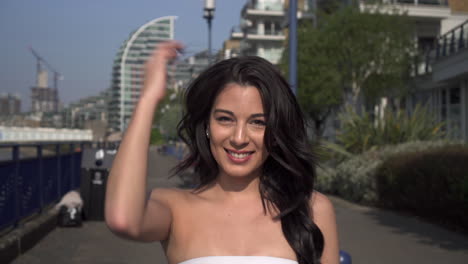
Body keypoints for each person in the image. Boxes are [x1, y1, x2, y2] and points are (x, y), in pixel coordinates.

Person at [105, 41, 339, 264]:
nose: (239, 138)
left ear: (277, 132)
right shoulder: (174, 207)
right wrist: (148, 99)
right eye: (225, 119)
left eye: (258, 122)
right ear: (206, 125)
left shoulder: (312, 209)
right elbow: (123, 220)